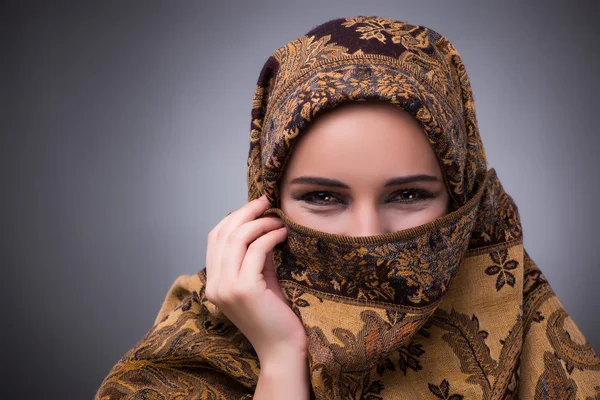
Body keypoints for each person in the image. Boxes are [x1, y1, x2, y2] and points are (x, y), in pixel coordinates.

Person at [95, 16, 600, 399]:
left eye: (408, 195)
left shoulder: (530, 327)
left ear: (461, 197)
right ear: (266, 201)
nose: (366, 235)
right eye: (322, 197)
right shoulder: (200, 344)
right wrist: (279, 359)